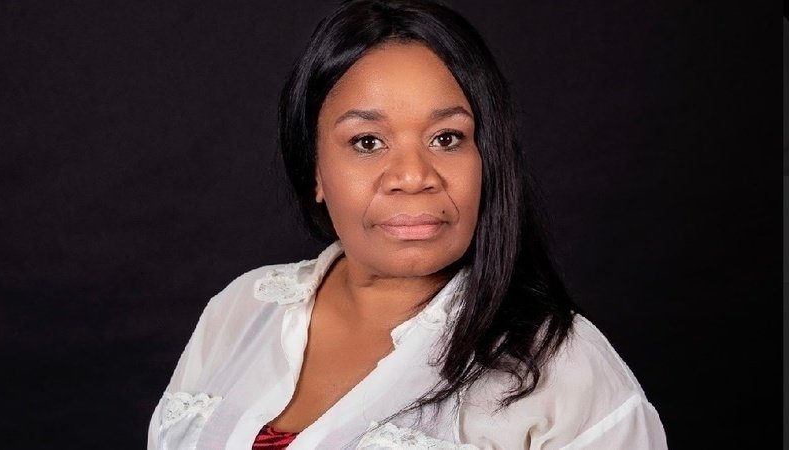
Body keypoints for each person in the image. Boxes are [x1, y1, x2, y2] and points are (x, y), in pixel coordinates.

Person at [148, 0, 668, 448]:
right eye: (367, 142)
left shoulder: (560, 367)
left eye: (447, 138)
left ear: (487, 159)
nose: (414, 176)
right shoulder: (242, 310)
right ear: (315, 171)